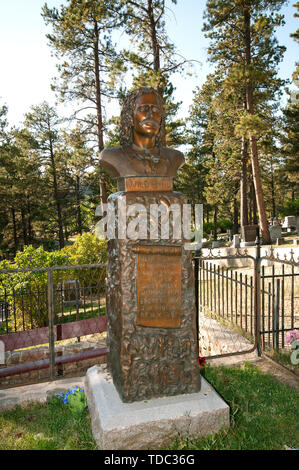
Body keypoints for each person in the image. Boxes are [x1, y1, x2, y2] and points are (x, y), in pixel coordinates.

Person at [100, 87, 184, 178]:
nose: (151, 114)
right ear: (130, 118)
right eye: (143, 109)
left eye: (156, 109)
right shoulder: (111, 156)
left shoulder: (175, 157)